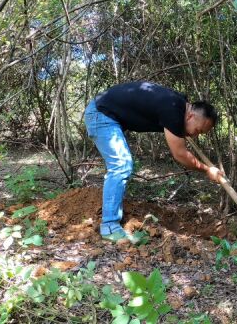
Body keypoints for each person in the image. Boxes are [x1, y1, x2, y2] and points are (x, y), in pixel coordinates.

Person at [84, 81, 224, 242]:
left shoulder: (178, 104)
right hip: (101, 114)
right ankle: (109, 226)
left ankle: (112, 218)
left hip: (105, 113)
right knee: (121, 164)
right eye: (198, 130)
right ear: (191, 116)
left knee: (121, 164)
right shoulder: (173, 109)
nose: (195, 135)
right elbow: (180, 154)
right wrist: (208, 170)